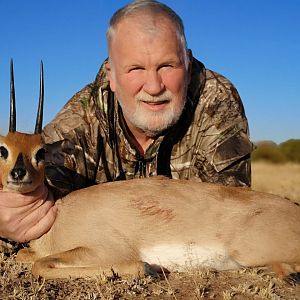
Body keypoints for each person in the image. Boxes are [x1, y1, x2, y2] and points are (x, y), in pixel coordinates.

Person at [0, 0, 253, 244]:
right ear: (112, 75)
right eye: (136, 69)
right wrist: (13, 215)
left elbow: (232, 207)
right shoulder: (83, 116)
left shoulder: (214, 100)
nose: (154, 87)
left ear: (187, 64)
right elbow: (39, 183)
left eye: (167, 65)